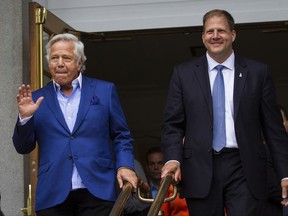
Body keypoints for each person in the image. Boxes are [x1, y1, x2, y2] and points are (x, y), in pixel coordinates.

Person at [160, 9, 288, 216]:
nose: (215, 36)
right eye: (210, 31)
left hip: (244, 166)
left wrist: (285, 174)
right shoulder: (183, 74)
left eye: (221, 30)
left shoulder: (257, 72)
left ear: (233, 35)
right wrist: (172, 159)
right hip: (200, 167)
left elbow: (274, 129)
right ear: (203, 37)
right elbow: (172, 125)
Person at [12, 33, 138, 215]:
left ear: (80, 62)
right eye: (54, 58)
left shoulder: (104, 90)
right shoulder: (35, 99)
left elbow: (122, 135)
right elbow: (23, 147)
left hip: (98, 189)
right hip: (53, 193)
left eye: (67, 58)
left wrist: (125, 166)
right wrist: (24, 118)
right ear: (49, 63)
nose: (60, 63)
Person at [146, 146, 188, 216]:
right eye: (152, 164)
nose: (156, 167)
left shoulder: (176, 181)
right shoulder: (143, 188)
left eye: (160, 163)